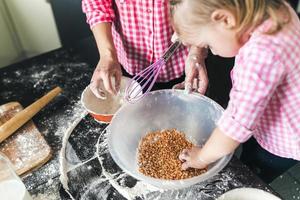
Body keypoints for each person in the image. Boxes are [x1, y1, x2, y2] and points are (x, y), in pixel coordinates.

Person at [171, 0, 300, 183]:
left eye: (208, 44)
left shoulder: (261, 54)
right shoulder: (273, 8)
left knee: (256, 170)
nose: (212, 52)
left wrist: (201, 158)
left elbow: (237, 125)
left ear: (225, 19)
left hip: (284, 137)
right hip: (278, 112)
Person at [81, 0, 209, 98]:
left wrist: (197, 51)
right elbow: (96, 4)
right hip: (125, 65)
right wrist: (107, 54)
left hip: (185, 66)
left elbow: (206, 4)